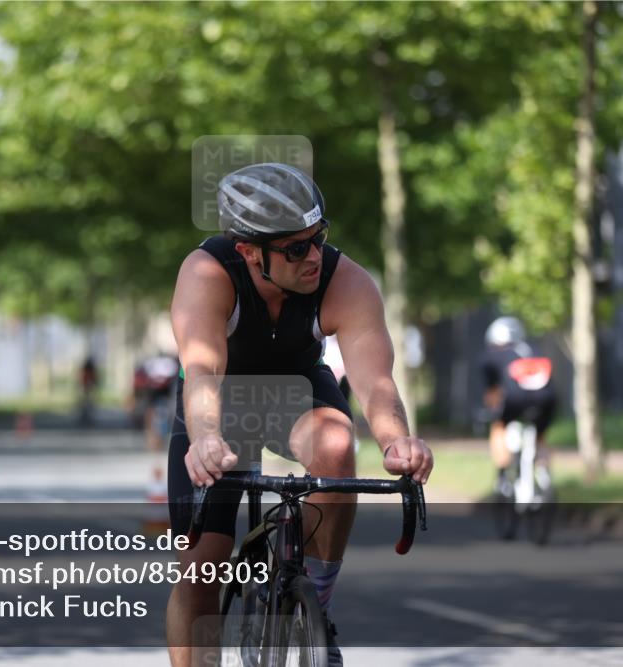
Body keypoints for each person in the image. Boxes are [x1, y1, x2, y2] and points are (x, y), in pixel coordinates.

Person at [167, 162, 433, 667]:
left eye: (318, 238)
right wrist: (204, 438)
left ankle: (318, 605)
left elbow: (376, 382)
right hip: (220, 401)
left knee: (336, 443)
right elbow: (202, 369)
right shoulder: (207, 274)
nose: (314, 256)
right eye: (294, 248)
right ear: (249, 251)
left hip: (297, 390)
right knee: (201, 571)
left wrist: (398, 441)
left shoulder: (345, 281)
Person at [480, 316, 557, 494]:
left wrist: (491, 410)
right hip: (547, 399)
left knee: (499, 426)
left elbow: (492, 392)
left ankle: (502, 477)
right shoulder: (534, 350)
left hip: (515, 399)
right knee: (540, 436)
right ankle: (544, 473)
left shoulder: (493, 354)